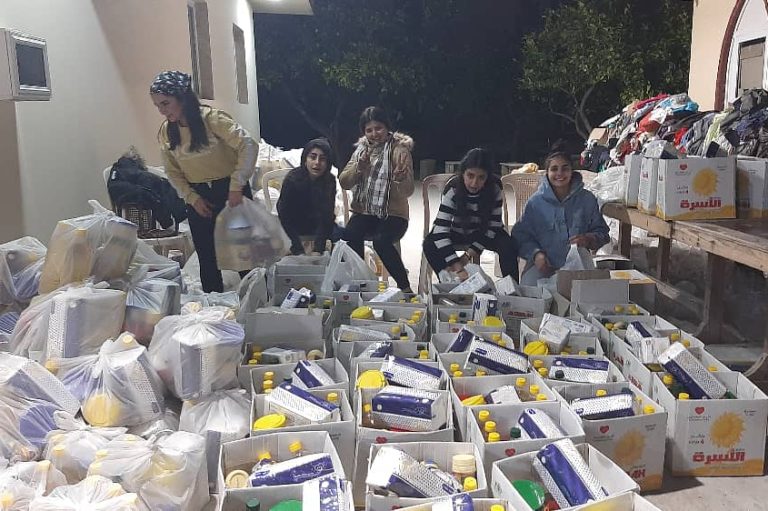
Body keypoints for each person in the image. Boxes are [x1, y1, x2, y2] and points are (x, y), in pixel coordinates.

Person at [150, 70, 258, 293]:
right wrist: (192, 198)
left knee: (243, 257)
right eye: (158, 106)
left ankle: (256, 306)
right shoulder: (166, 132)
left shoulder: (212, 119)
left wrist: (237, 186)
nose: (162, 111)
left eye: (165, 103)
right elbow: (173, 172)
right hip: (199, 197)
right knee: (207, 258)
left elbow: (247, 145)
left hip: (231, 192)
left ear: (182, 97)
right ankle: (214, 312)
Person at [339, 106, 415, 291]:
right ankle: (362, 282)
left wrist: (399, 178)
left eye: (378, 128)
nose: (374, 134)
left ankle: (405, 288)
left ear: (387, 127)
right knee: (349, 235)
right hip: (365, 212)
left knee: (381, 241)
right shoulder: (361, 151)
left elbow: (408, 191)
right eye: (369, 130)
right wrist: (359, 168)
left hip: (394, 215)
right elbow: (344, 182)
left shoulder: (400, 150)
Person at [511, 151, 610, 286]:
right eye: (554, 169)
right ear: (547, 172)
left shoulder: (587, 200)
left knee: (586, 297)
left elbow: (602, 232)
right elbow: (520, 235)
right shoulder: (535, 203)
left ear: (571, 171)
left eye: (565, 168)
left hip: (577, 266)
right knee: (529, 292)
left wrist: (588, 239)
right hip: (544, 267)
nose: (560, 174)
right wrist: (536, 254)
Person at [423, 148, 519, 281]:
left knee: (508, 245)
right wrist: (457, 265)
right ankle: (448, 282)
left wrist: (468, 255)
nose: (474, 183)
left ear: (488, 177)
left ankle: (512, 290)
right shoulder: (453, 189)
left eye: (481, 177)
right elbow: (440, 230)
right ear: (463, 173)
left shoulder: (495, 187)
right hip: (457, 231)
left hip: (484, 232)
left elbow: (494, 226)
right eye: (470, 175)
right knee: (429, 244)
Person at [277, 138, 338, 255]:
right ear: (305, 159)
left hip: (318, 223)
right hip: (294, 224)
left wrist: (318, 249)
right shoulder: (292, 179)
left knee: (342, 236)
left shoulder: (329, 180)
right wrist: (297, 246)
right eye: (312, 157)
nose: (317, 162)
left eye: (323, 159)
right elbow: (284, 214)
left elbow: (327, 215)